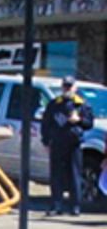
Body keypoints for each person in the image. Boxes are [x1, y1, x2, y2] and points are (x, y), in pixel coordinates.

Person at [40, 75, 93, 216]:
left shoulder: (81, 104)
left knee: (75, 175)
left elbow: (89, 123)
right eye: (65, 86)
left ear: (75, 88)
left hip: (74, 144)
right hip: (57, 143)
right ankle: (56, 205)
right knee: (56, 175)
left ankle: (75, 206)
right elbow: (46, 123)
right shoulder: (54, 104)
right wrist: (45, 141)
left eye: (70, 86)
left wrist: (79, 120)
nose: (67, 89)